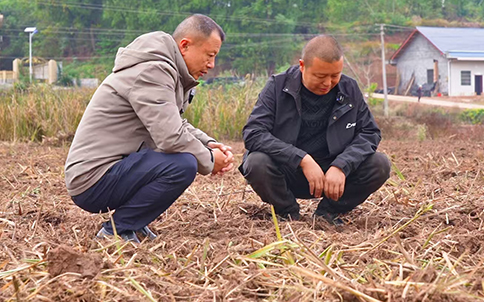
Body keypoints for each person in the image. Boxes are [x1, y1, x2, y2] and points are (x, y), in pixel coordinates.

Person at [65, 14, 234, 243]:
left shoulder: (167, 70)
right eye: (210, 55)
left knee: (178, 159)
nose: (212, 65)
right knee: (183, 164)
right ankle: (117, 230)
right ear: (185, 46)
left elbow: (174, 123)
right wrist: (210, 160)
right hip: (93, 178)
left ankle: (134, 223)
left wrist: (208, 143)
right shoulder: (152, 71)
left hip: (113, 169)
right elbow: (171, 136)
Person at [240, 35, 390, 225]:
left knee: (379, 164)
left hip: (332, 175)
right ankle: (287, 213)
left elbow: (370, 132)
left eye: (335, 76)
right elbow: (254, 133)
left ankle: (327, 213)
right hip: (288, 171)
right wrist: (301, 159)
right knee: (256, 162)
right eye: (320, 76)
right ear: (302, 66)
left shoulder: (349, 88)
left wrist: (342, 165)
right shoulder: (278, 86)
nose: (327, 83)